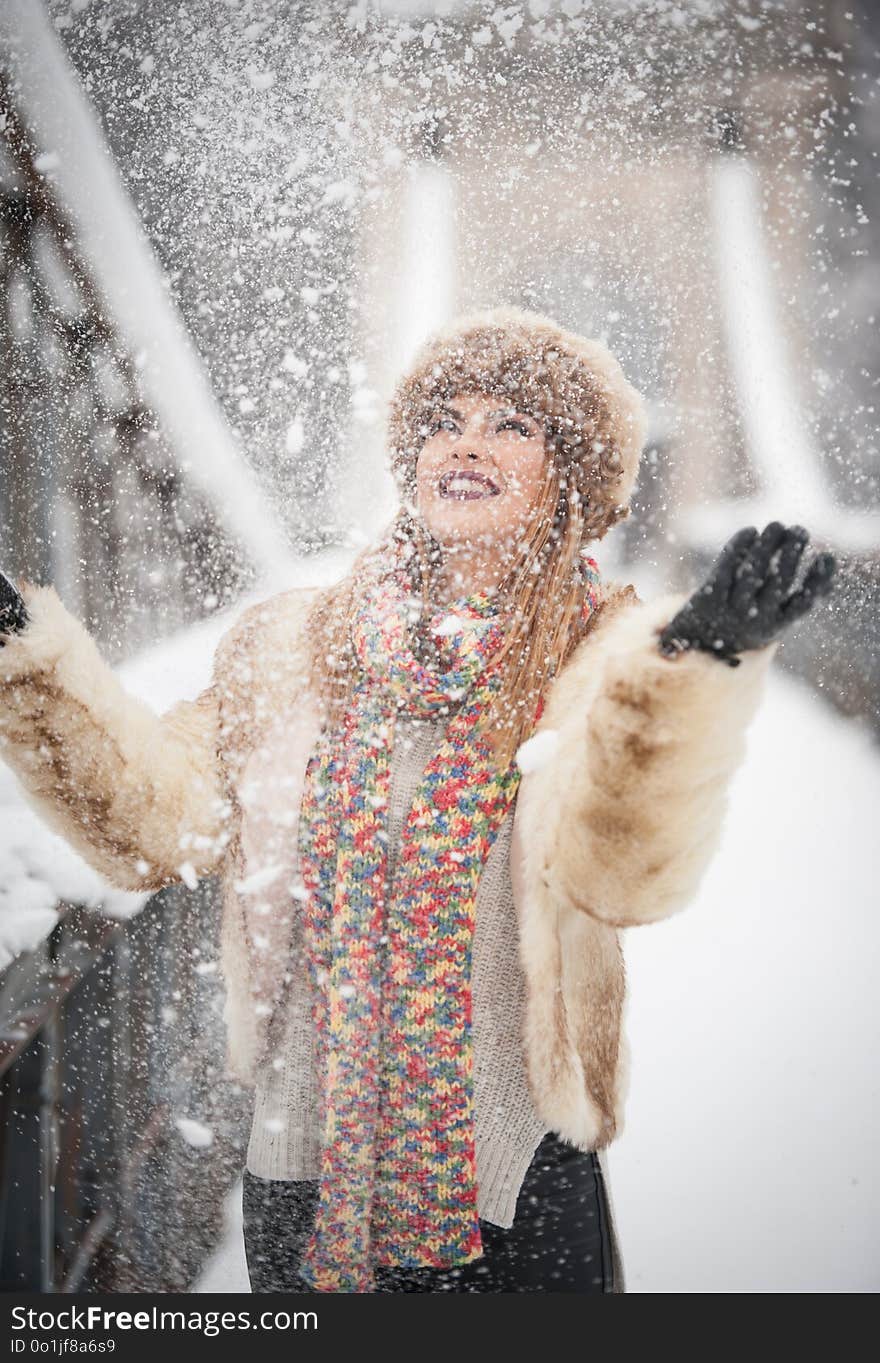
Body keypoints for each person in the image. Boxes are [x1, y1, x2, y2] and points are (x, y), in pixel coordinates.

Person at [0, 307, 836, 1294]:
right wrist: (33, 669)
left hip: (517, 1173)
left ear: (566, 471)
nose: (466, 440)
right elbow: (160, 825)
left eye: (511, 424)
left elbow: (624, 873)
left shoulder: (611, 654)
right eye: (443, 419)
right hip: (307, 1160)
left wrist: (696, 660)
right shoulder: (290, 648)